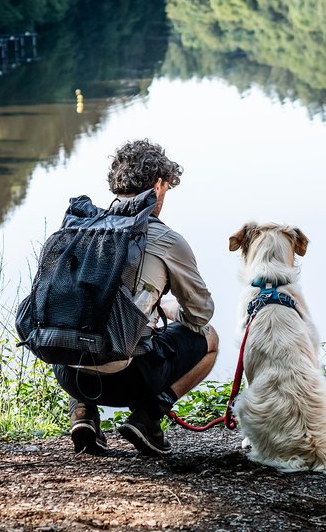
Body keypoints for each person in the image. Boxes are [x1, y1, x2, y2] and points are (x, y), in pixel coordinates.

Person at [55, 139, 219, 457]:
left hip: (68, 374)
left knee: (80, 319)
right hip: (127, 381)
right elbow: (201, 315)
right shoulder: (166, 239)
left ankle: (83, 412)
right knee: (210, 339)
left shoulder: (81, 226)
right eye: (166, 188)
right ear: (158, 185)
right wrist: (167, 309)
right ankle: (148, 417)